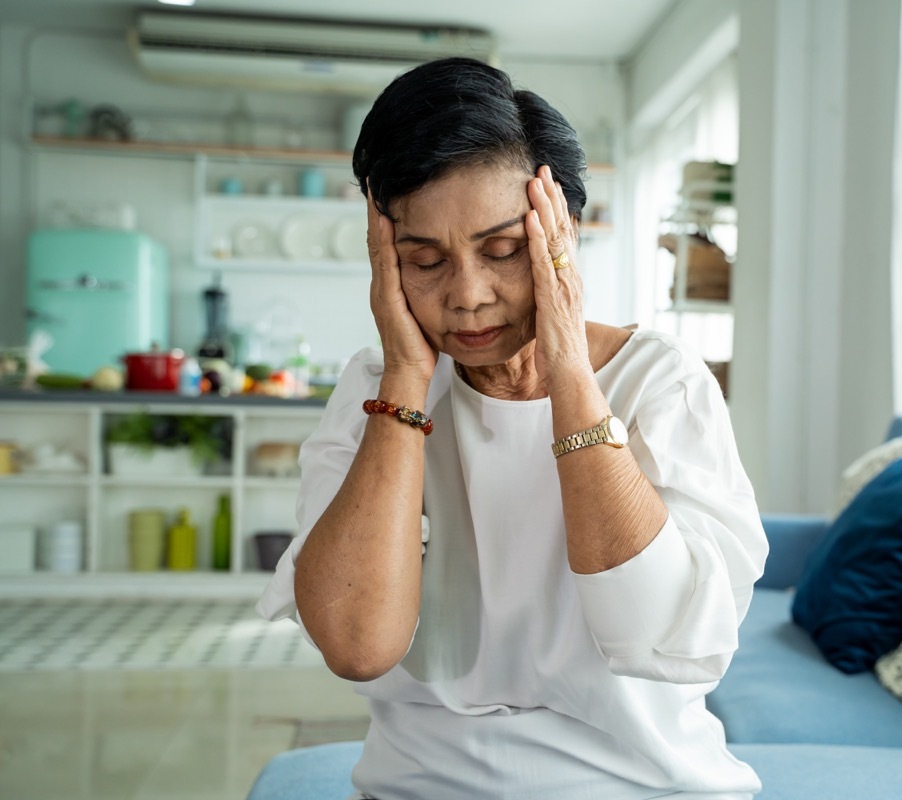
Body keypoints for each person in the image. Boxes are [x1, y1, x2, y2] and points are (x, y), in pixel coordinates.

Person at [257, 57, 768, 800]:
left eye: (502, 251)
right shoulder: (377, 387)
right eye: (423, 260)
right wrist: (405, 375)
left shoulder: (660, 383)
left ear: (564, 235)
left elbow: (655, 638)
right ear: (383, 261)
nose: (467, 296)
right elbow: (358, 645)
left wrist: (567, 373)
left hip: (637, 787)